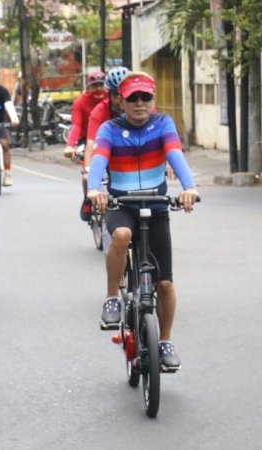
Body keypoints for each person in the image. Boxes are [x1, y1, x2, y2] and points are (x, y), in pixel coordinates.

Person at [87, 72, 199, 371]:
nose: (139, 104)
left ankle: (165, 341)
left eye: (145, 97)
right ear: (121, 101)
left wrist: (189, 188)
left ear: (153, 100)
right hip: (120, 204)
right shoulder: (110, 128)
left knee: (164, 284)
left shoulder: (163, 124)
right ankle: (112, 297)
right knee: (121, 235)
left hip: (157, 206)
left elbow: (175, 155)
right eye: (132, 98)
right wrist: (94, 189)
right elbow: (98, 158)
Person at [76, 67, 130, 222]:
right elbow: (91, 142)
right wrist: (88, 170)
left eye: (125, 95)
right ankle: (88, 200)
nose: (121, 100)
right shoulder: (100, 112)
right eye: (115, 95)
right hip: (106, 153)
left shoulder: (143, 108)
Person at [63, 70, 107, 159]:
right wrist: (70, 146)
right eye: (95, 85)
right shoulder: (80, 102)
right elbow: (76, 125)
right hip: (86, 140)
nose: (98, 88)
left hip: (108, 138)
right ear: (89, 86)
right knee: (87, 168)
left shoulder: (110, 98)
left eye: (101, 85)